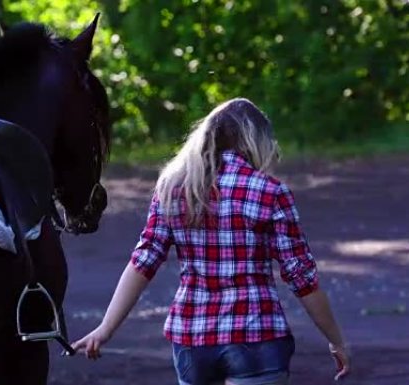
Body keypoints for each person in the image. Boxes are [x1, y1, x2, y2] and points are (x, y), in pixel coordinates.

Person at [71, 98, 350, 384]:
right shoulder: (269, 191)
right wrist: (336, 341)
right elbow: (302, 279)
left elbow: (143, 262)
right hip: (256, 336)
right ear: (255, 140)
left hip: (193, 341)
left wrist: (105, 329)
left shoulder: (173, 190)